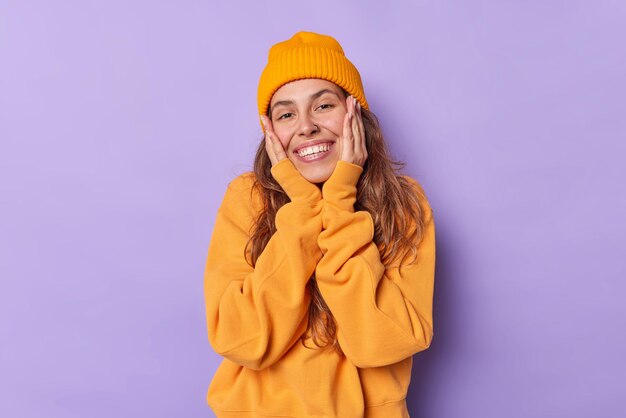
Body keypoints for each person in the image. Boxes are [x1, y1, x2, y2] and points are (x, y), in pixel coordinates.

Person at [203, 31, 436, 418]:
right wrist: (304, 206)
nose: (306, 126)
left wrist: (341, 196)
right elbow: (243, 340)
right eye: (286, 114)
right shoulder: (248, 197)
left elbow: (382, 343)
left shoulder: (405, 202)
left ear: (354, 114)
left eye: (323, 105)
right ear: (271, 132)